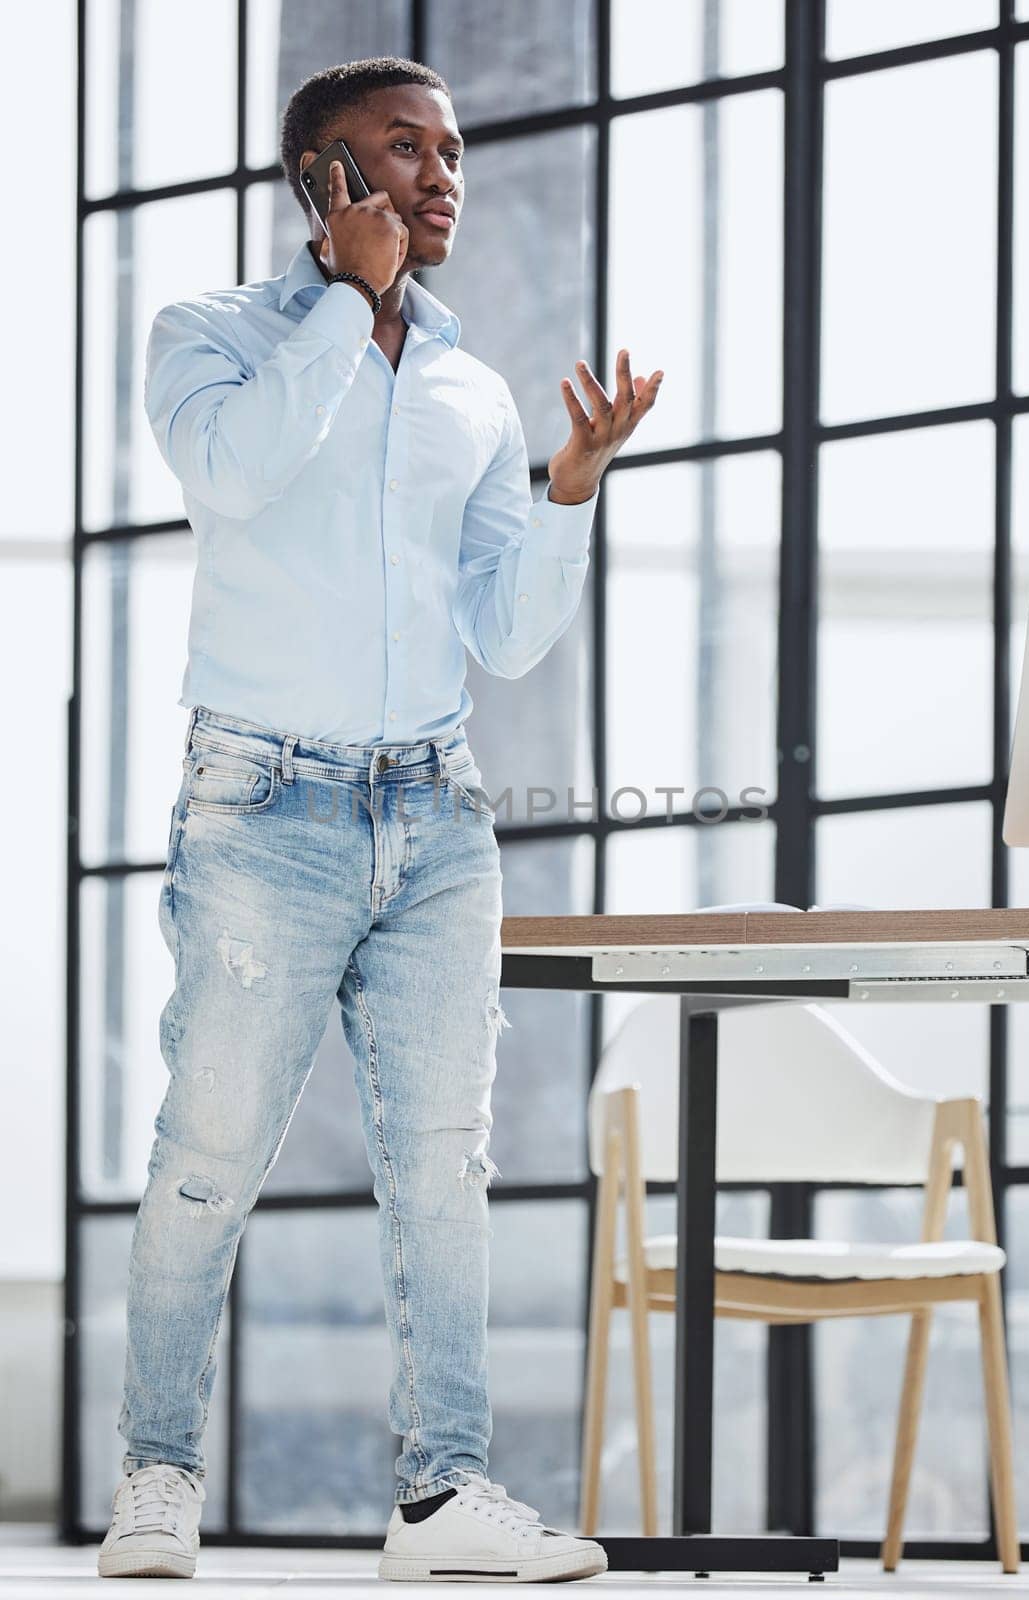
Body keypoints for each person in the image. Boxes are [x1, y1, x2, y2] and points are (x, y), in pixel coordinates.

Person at [97, 55, 663, 1583]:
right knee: (210, 1150)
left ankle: (443, 1495)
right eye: (402, 150)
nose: (442, 175)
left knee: (443, 1158)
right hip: (262, 802)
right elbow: (233, 467)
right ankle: (156, 1474)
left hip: (436, 809)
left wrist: (570, 492)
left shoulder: (476, 390)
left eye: (453, 152)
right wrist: (350, 306)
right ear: (321, 179)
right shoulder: (208, 336)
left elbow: (509, 635)